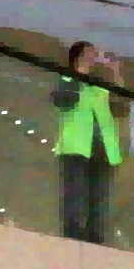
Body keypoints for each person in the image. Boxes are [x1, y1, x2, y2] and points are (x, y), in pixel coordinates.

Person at [54, 39, 123, 243]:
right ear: (78, 57)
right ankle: (73, 238)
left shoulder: (98, 85)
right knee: (75, 194)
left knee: (99, 198)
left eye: (94, 54)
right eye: (90, 53)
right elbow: (62, 101)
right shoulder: (67, 78)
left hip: (103, 148)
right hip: (76, 146)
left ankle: (95, 240)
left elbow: (120, 107)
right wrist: (80, 73)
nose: (94, 57)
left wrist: (116, 73)